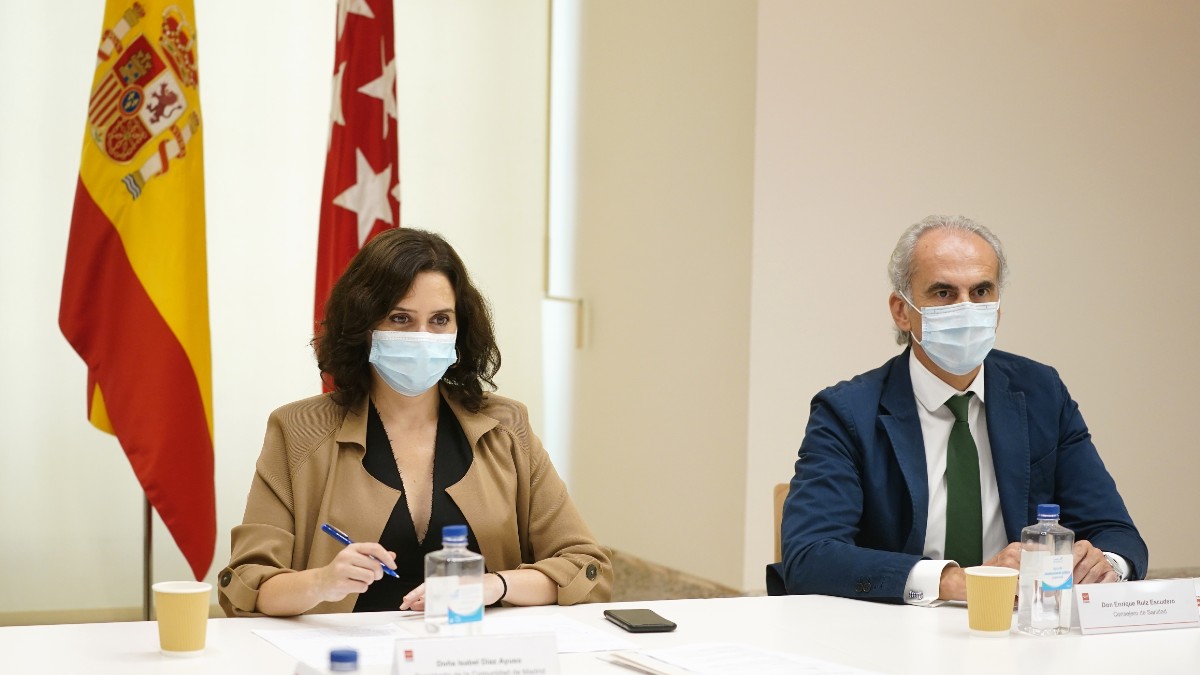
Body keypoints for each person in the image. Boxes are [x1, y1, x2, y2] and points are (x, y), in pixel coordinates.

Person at [219, 228, 611, 616]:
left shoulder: (505, 427)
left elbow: (586, 567)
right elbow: (249, 584)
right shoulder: (298, 430)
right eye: (401, 319)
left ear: (460, 330)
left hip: (475, 654)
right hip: (348, 659)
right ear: (363, 327)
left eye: (440, 320)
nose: (422, 337)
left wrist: (495, 584)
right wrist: (322, 581)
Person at [768, 215, 1147, 604]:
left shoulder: (1041, 393)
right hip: (894, 635)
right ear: (902, 310)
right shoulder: (847, 412)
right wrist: (956, 582)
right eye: (944, 293)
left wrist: (1107, 567)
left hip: (1022, 631)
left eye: (982, 291)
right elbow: (809, 557)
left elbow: (1115, 530)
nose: (967, 308)